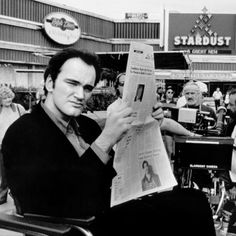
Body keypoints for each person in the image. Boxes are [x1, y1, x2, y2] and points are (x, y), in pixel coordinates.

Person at [2, 48, 216, 236]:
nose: (80, 94)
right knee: (180, 215)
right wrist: (106, 139)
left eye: (87, 87)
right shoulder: (23, 132)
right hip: (73, 223)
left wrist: (147, 127)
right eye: (72, 83)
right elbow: (57, 197)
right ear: (50, 82)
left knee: (193, 199)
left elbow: (113, 175)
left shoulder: (85, 125)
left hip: (107, 208)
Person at [0, 85, 26, 205]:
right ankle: (2, 195)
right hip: (2, 145)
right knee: (4, 173)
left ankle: (18, 197)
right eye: (5, 99)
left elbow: (26, 123)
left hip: (17, 146)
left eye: (10, 98)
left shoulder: (18, 108)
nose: (8, 101)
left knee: (18, 172)